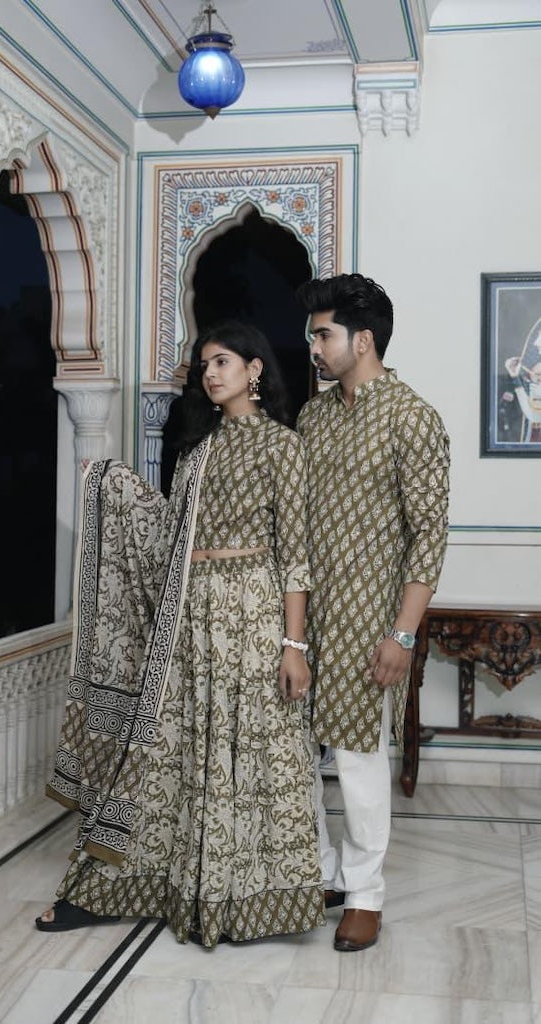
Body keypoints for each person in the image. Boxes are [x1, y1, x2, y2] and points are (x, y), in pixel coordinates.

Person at [37, 321, 325, 948]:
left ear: (254, 370)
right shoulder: (196, 454)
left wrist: (293, 646)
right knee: (171, 747)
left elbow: (296, 555)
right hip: (187, 617)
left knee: (248, 749)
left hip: (252, 612)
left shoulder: (283, 447)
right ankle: (129, 886)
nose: (210, 373)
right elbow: (169, 535)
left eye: (222, 361)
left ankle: (245, 900)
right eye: (203, 366)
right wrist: (113, 489)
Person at [296, 273, 450, 953]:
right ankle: (327, 871)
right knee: (295, 753)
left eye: (322, 334)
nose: (313, 347)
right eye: (310, 334)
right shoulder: (312, 416)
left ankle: (366, 894)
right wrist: (289, 631)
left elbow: (430, 535)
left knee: (357, 760)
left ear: (362, 340)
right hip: (306, 618)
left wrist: (402, 633)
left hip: (370, 623)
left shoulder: (413, 417)